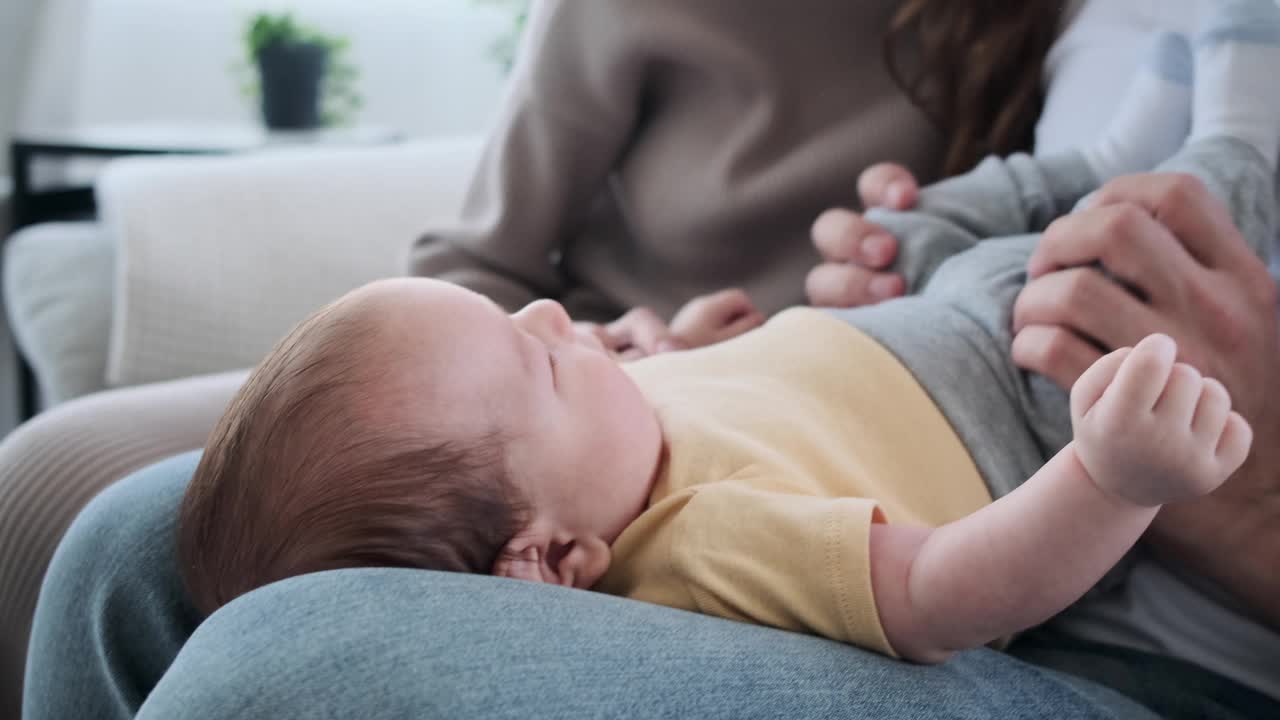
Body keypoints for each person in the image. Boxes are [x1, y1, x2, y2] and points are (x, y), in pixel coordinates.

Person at [14, 0, 1280, 718]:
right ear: (549, 561)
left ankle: (1218, 137)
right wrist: (1115, 477)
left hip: (1162, 621)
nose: (562, 323)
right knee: (134, 543)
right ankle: (1217, 134)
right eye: (546, 361)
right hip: (1043, 399)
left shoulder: (603, 488)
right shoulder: (699, 527)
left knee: (281, 665)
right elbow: (950, 582)